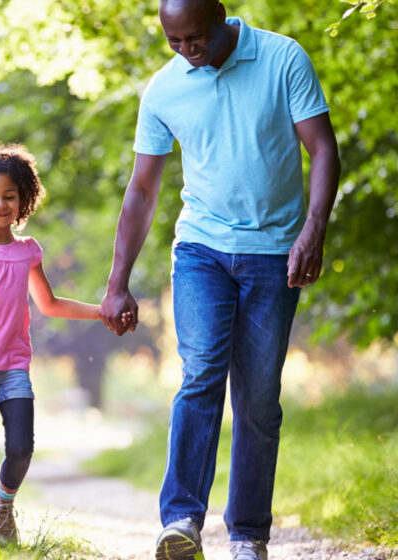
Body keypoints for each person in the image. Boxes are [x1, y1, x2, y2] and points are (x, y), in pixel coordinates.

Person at [98, 1, 340, 559]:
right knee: (201, 372)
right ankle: (181, 519)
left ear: (221, 17)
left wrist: (314, 231)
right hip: (201, 248)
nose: (187, 51)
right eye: (173, 42)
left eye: (196, 39)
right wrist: (117, 281)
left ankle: (248, 535)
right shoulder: (164, 88)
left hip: (273, 253)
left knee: (257, 398)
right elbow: (141, 191)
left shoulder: (282, 58)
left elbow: (323, 148)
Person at [0, 145, 120, 542]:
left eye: (9, 196)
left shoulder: (28, 251)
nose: (0, 204)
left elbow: (50, 303)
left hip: (13, 367)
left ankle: (3, 503)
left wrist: (102, 311)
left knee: (21, 446)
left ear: (23, 199)